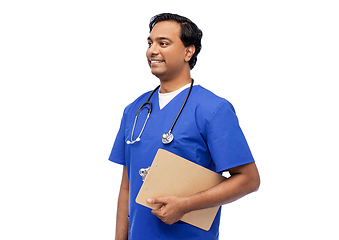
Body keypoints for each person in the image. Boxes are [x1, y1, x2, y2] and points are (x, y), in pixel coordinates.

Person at [109, 13, 260, 240]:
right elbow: (127, 187)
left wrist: (186, 205)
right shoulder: (134, 110)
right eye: (150, 43)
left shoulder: (213, 109)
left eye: (163, 43)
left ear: (188, 52)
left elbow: (249, 179)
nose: (152, 50)